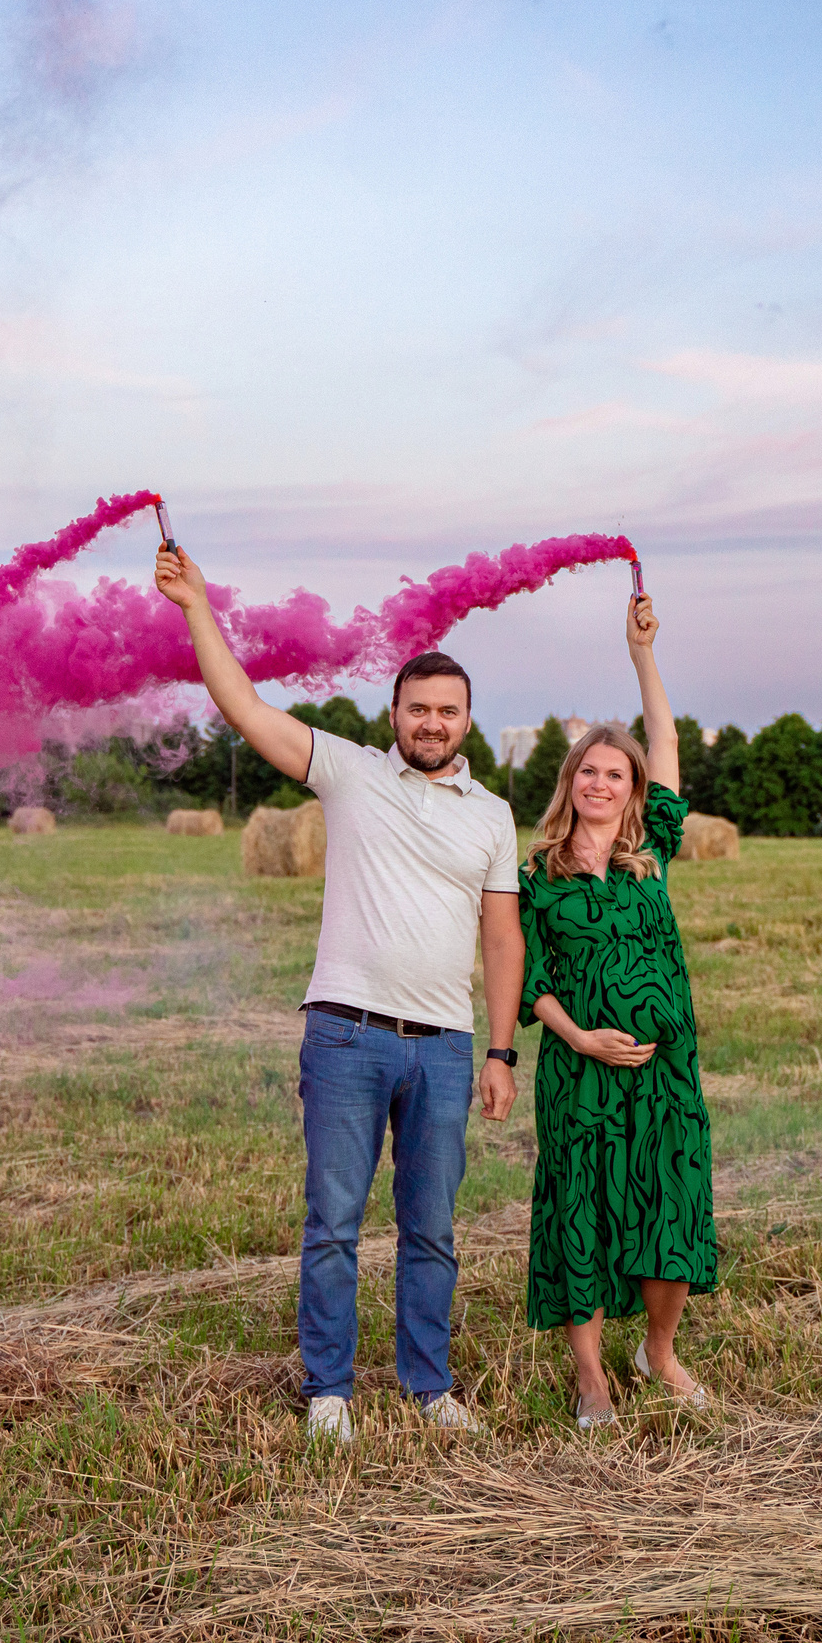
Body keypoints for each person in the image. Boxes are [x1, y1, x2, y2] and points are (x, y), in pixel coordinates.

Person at [154, 542, 524, 1442]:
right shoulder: (349, 770)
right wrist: (199, 608)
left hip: (443, 1046)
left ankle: (429, 1386)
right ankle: (330, 1392)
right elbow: (243, 708)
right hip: (347, 1035)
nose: (433, 722)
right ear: (392, 712)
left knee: (431, 1227)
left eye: (449, 711)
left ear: (468, 720)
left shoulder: (492, 815)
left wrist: (502, 1050)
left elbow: (502, 934)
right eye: (419, 708)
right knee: (333, 1221)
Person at [517, 592, 716, 1427]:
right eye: (588, 771)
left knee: (673, 1207)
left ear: (633, 789)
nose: (601, 782)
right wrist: (582, 1039)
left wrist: (643, 655)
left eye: (616, 773)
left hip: (666, 1074)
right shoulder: (536, 875)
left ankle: (658, 1352)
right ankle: (592, 1376)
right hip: (579, 1073)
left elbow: (666, 743)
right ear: (570, 783)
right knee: (584, 1215)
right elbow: (530, 983)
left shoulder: (652, 856)